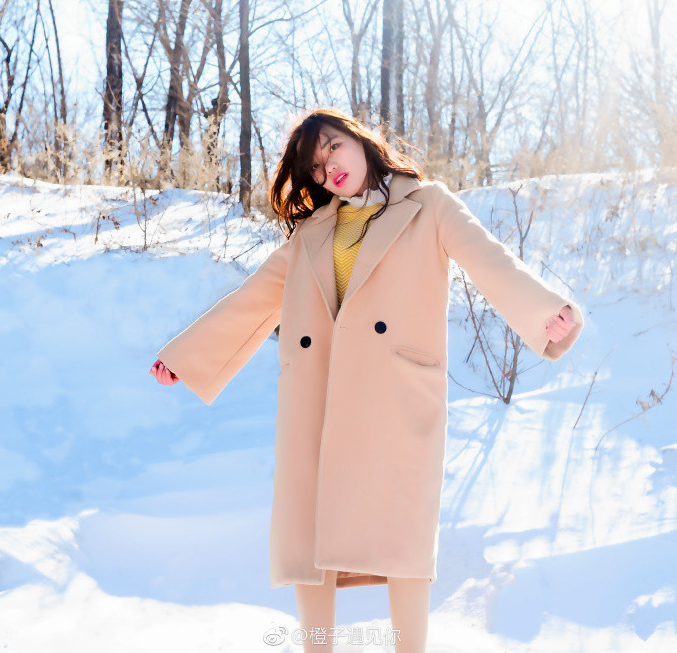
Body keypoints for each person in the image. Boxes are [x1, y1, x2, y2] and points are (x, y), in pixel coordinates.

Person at [150, 108, 582, 653]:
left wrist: (544, 313)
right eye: (314, 165)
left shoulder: (428, 206)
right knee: (311, 542)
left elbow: (489, 260)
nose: (327, 166)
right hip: (319, 399)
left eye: (332, 147)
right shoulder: (313, 232)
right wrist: (189, 357)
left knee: (403, 538)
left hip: (395, 397)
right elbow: (253, 300)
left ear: (360, 141)